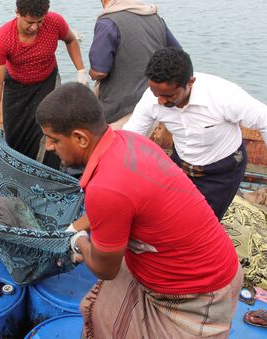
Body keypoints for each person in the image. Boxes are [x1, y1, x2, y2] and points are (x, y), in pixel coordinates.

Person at [36, 82, 242, 338]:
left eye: (54, 139)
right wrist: (76, 227)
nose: (49, 147)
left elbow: (105, 269)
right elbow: (124, 204)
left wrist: (79, 243)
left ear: (80, 138)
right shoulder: (128, 141)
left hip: (198, 293)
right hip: (213, 260)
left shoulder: (105, 189)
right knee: (101, 314)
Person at [123, 47, 267, 220]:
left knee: (202, 223)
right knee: (164, 216)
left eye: (169, 96)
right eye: (156, 94)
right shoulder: (152, 98)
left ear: (190, 83)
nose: (161, 101)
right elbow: (131, 136)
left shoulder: (223, 97)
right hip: (182, 164)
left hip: (222, 171)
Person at [0, 0, 87, 169]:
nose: (35, 27)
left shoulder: (54, 22)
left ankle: (50, 173)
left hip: (48, 83)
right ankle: (22, 172)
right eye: (30, 22)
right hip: (17, 90)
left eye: (39, 21)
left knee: (52, 130)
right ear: (17, 13)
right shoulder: (2, 38)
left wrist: (80, 70)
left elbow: (70, 40)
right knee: (16, 138)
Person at [88, 0, 180, 129]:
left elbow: (99, 71)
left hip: (121, 109)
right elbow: (177, 56)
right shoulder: (154, 17)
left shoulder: (108, 22)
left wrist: (89, 74)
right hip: (155, 101)